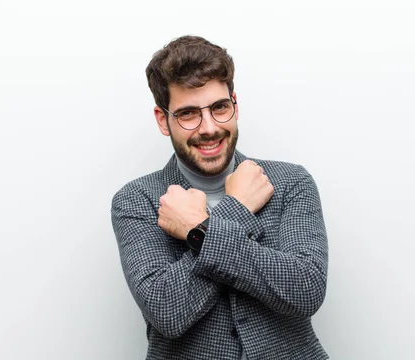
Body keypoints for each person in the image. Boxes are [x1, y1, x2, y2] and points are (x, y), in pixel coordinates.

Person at [111, 35, 329, 360]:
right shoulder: (136, 200)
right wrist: (238, 208)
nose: (209, 127)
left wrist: (197, 229)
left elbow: (306, 289)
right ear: (163, 119)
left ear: (235, 105)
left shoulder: (291, 182)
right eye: (188, 114)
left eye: (219, 107)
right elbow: (168, 312)